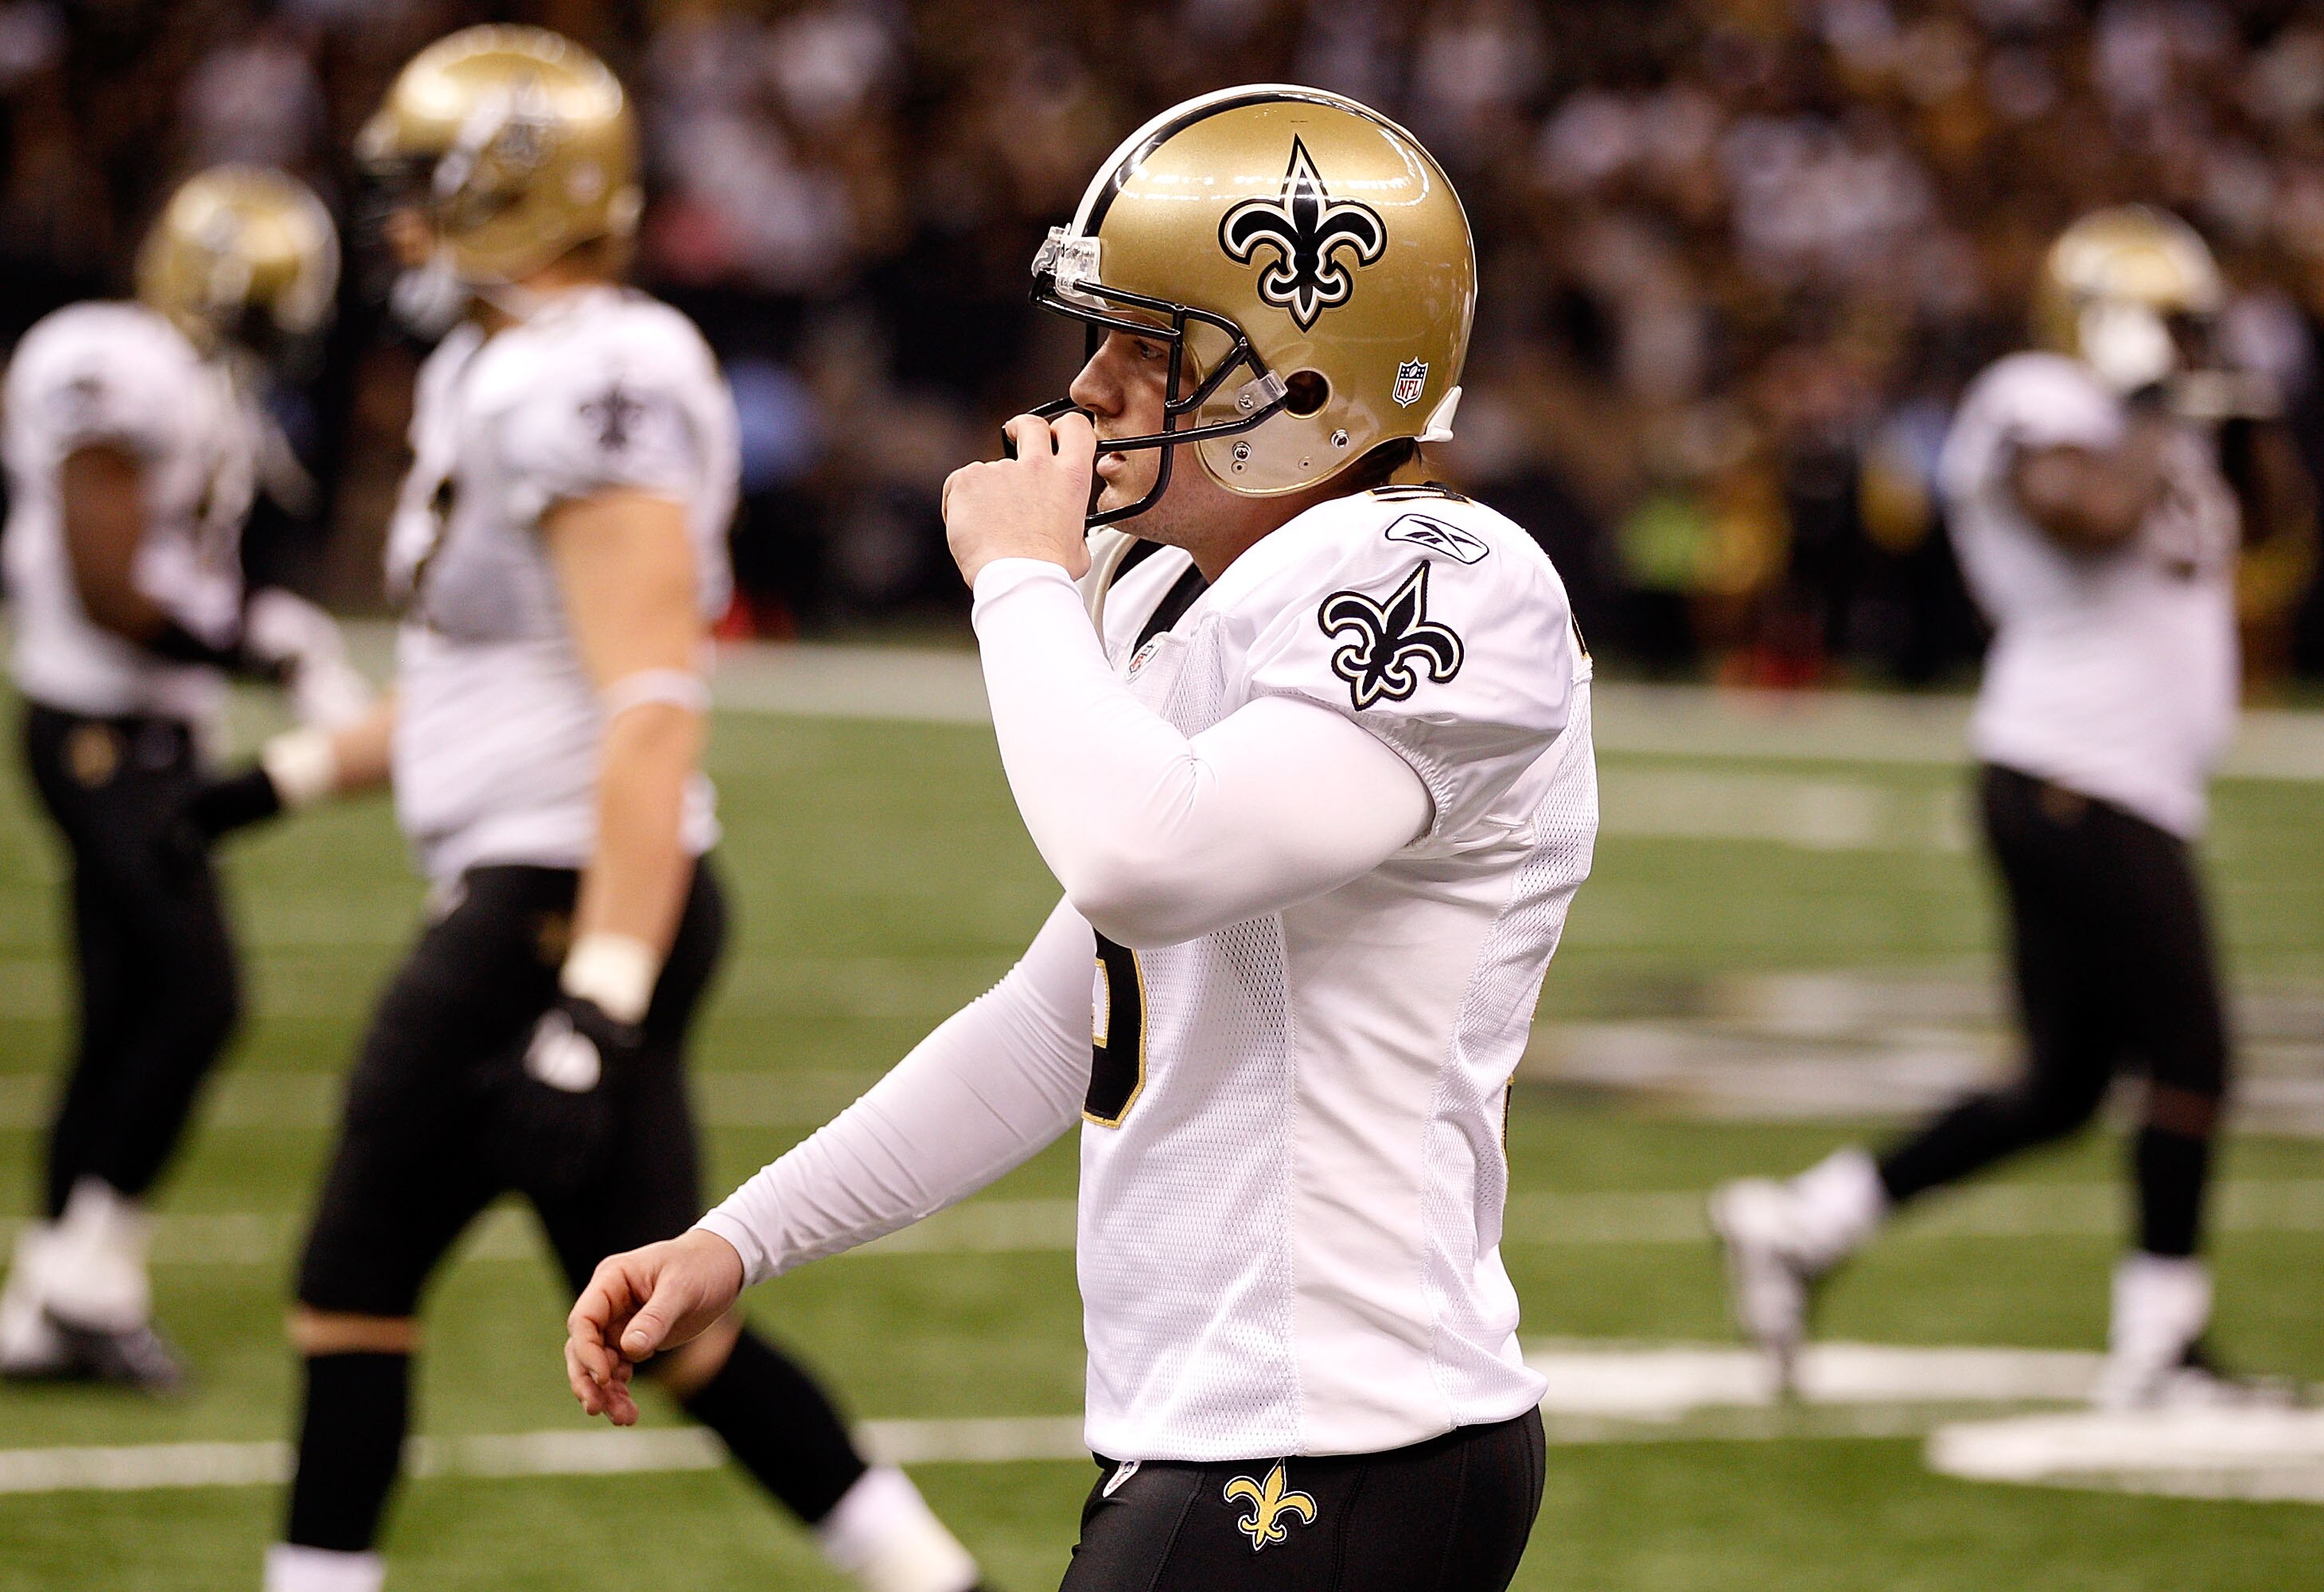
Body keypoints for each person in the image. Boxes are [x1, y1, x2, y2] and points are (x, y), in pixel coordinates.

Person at [570, 85, 1598, 1592]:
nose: (1092, 387)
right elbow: (1058, 1024)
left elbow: (1139, 856)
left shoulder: (1446, 571)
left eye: (1150, 350)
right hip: (1252, 1428)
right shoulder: (1177, 594)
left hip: (1336, 1437)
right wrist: (737, 1240)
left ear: (1307, 378)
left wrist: (1021, 583)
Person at [243, 29, 990, 1592]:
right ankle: (933, 1574)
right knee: (674, 1322)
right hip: (562, 890)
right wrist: (272, 780)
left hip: (565, 900)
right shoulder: (495, 366)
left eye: (425, 187)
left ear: (512, 192)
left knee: (353, 1278)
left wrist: (595, 1001)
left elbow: (652, 704)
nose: (397, 222)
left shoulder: (586, 372)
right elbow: (487, 688)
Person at [1710, 207, 2268, 1409]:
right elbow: (2087, 512)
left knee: (2064, 1085)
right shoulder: (2038, 397)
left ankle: (1806, 1220)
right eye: (2171, 323)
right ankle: (2160, 1345)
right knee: (2195, 1049)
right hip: (2076, 771)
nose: (2192, 344)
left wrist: (2226, 412)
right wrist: (2152, 403)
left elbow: (2268, 522)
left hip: (2116, 780)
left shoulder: (2157, 422)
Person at [0, 165, 368, 1390]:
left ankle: (43, 1302)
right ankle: (87, 1286)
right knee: (197, 998)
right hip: (100, 730)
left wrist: (254, 631)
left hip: (144, 732)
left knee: (123, 1011)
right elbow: (111, 588)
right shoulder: (117, 363)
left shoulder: (194, 380)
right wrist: (259, 644)